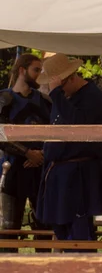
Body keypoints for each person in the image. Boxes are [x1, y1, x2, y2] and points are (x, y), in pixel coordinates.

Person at [36, 54, 102, 242]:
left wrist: (56, 94)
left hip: (78, 174)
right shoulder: (64, 97)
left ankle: (83, 270)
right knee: (62, 231)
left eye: (60, 87)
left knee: (79, 234)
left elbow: (78, 126)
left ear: (71, 78)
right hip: (58, 172)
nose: (58, 92)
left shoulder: (92, 96)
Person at [0, 54, 52, 251]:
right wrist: (27, 153)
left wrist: (42, 155)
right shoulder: (4, 98)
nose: (39, 75)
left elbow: (56, 131)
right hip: (12, 168)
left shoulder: (45, 101)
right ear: (22, 70)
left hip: (41, 169)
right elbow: (0, 134)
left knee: (44, 228)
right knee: (9, 228)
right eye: (36, 70)